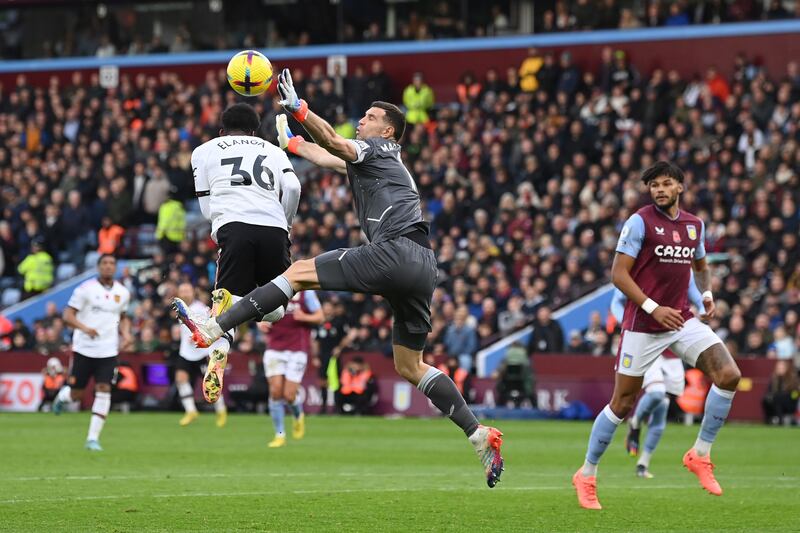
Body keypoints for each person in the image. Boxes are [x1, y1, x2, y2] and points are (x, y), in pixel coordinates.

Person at [173, 69, 504, 488]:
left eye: (369, 115)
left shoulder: (379, 148)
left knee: (296, 273)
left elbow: (333, 141)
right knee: (410, 364)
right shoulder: (377, 161)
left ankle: (214, 326)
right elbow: (327, 156)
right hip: (423, 265)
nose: (362, 120)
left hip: (394, 251)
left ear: (388, 130)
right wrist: (291, 142)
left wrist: (298, 109)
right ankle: (478, 434)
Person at [573, 161, 741, 509]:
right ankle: (586, 474)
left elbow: (700, 266)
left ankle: (700, 454)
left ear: (680, 187)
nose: (659, 190)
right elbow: (618, 274)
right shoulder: (639, 222)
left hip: (680, 320)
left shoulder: (695, 226)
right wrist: (653, 308)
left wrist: (707, 296)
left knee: (729, 375)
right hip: (643, 325)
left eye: (666, 184)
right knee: (621, 405)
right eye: (654, 186)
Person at [186, 102, 301, 404]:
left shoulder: (203, 151)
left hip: (233, 227)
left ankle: (220, 341)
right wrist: (286, 225)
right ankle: (228, 314)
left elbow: (206, 204)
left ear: (221, 130)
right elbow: (292, 187)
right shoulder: (273, 151)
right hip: (274, 228)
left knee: (227, 301)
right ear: (255, 131)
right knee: (276, 311)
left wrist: (219, 226)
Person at [609, 273, 705, 478]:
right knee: (656, 393)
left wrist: (704, 306)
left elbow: (692, 290)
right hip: (646, 340)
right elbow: (616, 301)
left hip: (672, 345)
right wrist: (626, 320)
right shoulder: (642, 266)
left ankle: (643, 464)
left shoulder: (680, 263)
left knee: (662, 406)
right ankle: (635, 422)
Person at [53, 254, 132, 451]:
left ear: (115, 268)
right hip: (84, 349)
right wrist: (84, 327)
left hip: (108, 350)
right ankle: (63, 397)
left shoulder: (123, 292)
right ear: (98, 267)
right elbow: (67, 315)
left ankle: (92, 438)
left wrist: (126, 334)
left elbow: (122, 317)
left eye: (112, 263)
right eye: (104, 263)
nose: (108, 266)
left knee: (104, 389)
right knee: (77, 394)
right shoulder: (85, 290)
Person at [259, 290, 324, 448]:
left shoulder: (305, 294)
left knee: (289, 395)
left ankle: (298, 415)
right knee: (275, 391)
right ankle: (279, 434)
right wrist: (260, 322)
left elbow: (320, 317)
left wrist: (305, 317)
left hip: (297, 349)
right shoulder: (272, 289)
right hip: (274, 347)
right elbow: (256, 311)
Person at [173, 282, 227, 428]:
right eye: (182, 290)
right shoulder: (179, 308)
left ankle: (221, 411)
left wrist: (198, 336)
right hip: (186, 352)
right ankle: (191, 411)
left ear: (193, 292)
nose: (184, 293)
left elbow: (210, 326)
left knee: (211, 382)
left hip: (202, 352)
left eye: (187, 290)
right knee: (180, 379)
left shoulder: (201, 309)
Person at [762, 360, 798, 425]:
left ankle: (780, 421)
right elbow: (768, 391)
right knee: (765, 399)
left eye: (782, 368)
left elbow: (795, 394)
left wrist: (789, 396)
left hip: (790, 403)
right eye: (778, 368)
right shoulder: (774, 379)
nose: (780, 369)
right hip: (775, 402)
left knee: (778, 398)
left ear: (787, 369)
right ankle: (768, 419)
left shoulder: (792, 379)